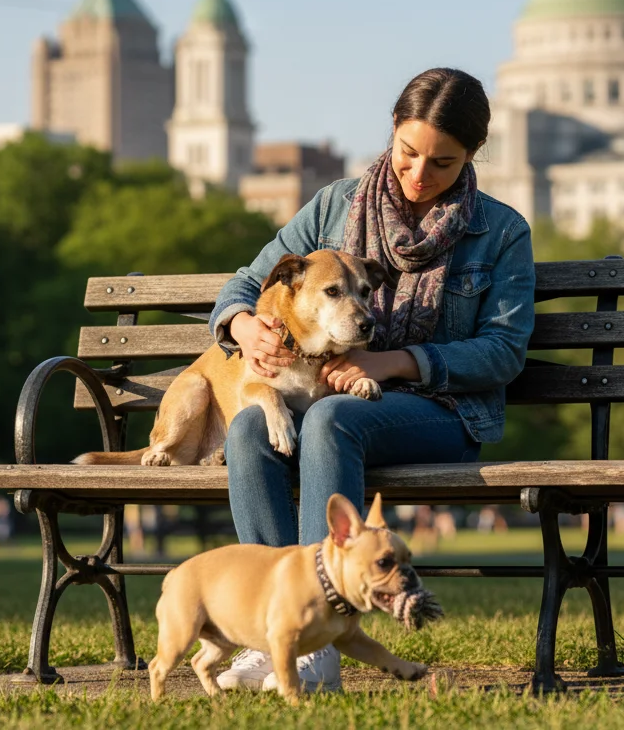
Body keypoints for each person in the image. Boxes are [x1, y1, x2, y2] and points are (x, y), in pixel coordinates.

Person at [208, 68, 535, 693]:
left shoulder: (500, 232)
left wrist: (392, 361)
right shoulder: (334, 204)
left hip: (440, 413)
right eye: (409, 154)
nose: (419, 176)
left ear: (472, 156)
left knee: (331, 420)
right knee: (250, 428)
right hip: (332, 400)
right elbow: (245, 284)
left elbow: (502, 352)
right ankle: (272, 633)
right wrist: (242, 324)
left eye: (442, 163)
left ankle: (318, 648)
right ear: (392, 132)